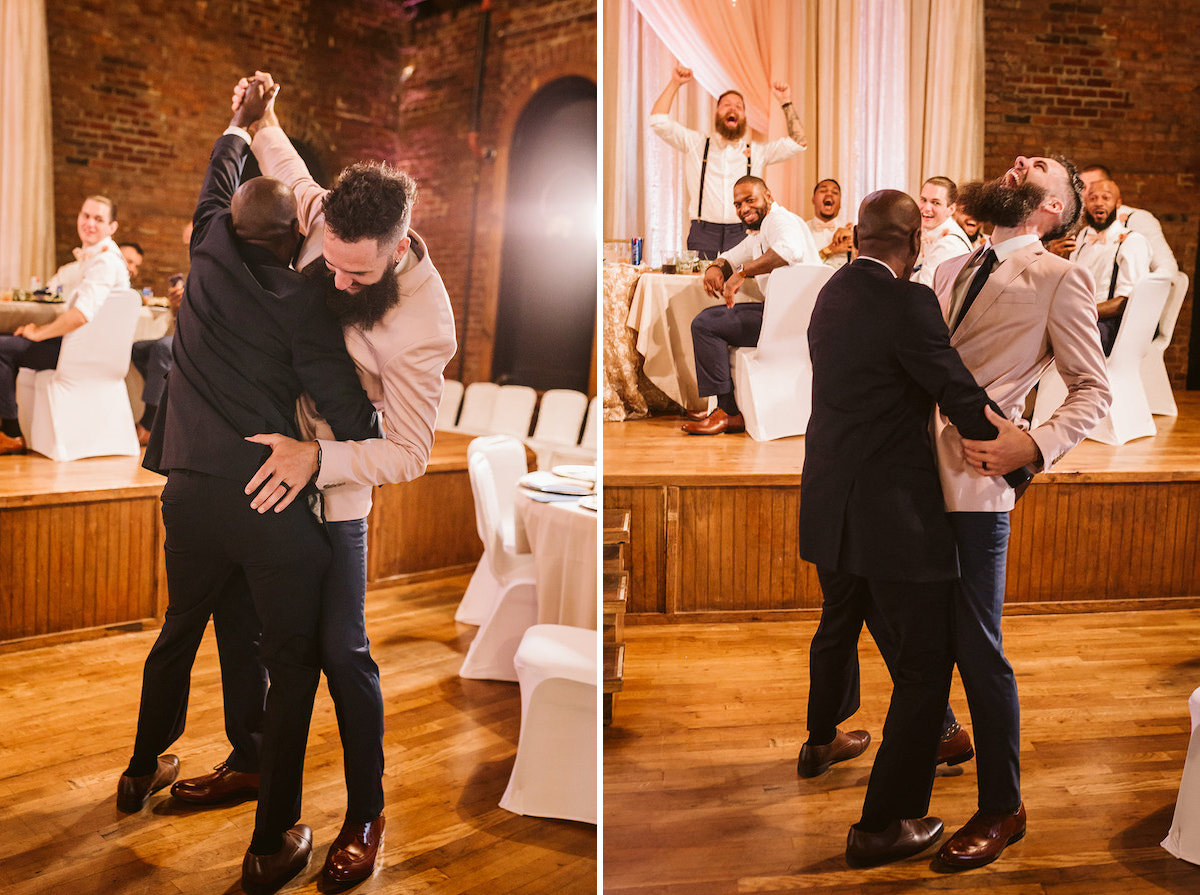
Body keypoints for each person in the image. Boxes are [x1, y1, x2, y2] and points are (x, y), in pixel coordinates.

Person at [164, 71, 457, 885]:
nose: (335, 283)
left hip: (335, 497)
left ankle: (366, 809)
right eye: (330, 265)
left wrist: (316, 459)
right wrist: (258, 117)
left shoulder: (425, 328)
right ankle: (255, 761)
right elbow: (285, 164)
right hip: (263, 480)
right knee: (245, 627)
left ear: (400, 247)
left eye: (357, 276)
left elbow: (409, 452)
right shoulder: (329, 221)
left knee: (339, 649)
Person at [117, 84, 382, 895]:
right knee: (293, 658)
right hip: (267, 504)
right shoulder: (307, 304)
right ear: (300, 233)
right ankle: (272, 843)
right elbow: (353, 416)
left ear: (228, 223)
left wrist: (241, 118)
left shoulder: (203, 250)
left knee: (183, 625)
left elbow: (218, 168)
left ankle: (138, 773)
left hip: (188, 496)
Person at [799, 190, 1008, 868]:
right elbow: (954, 387)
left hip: (831, 506)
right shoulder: (909, 300)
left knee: (843, 620)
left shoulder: (831, 292)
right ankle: (884, 823)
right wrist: (1015, 449)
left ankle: (822, 739)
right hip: (892, 518)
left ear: (857, 236)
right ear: (915, 244)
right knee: (924, 666)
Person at [927, 154, 1111, 869]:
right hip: (912, 474)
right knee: (907, 620)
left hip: (979, 480)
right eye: (1018, 159)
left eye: (1040, 170)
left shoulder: (1061, 277)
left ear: (1051, 212)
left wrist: (1030, 446)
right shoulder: (948, 270)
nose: (1019, 164)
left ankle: (1004, 805)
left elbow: (1092, 391)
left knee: (978, 646)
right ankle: (939, 730)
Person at [681, 175, 819, 435]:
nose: (743, 208)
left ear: (769, 196)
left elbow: (790, 251)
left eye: (750, 200)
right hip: (787, 317)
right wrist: (715, 267)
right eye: (737, 204)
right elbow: (731, 257)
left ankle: (727, 412)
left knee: (706, 325)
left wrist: (742, 273)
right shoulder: (761, 232)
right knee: (711, 321)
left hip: (789, 321)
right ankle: (723, 407)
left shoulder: (780, 220)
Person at [0, 196, 130, 455]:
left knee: (2, 347)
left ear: (112, 227)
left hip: (83, 354)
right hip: (84, 349)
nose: (90, 223)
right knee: (6, 340)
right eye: (86, 216)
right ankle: (9, 429)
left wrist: (38, 333)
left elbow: (81, 314)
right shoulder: (88, 261)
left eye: (99, 219)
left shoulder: (105, 262)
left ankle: (11, 434)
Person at [650, 65, 807, 259]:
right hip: (703, 232)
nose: (733, 108)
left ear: (744, 117)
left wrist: (785, 102)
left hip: (744, 232)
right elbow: (658, 121)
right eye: (726, 104)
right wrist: (675, 83)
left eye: (739, 106)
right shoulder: (696, 144)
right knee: (699, 286)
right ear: (716, 114)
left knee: (742, 287)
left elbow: (799, 142)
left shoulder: (757, 152)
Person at [1068, 179, 1151, 355]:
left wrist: (1081, 312)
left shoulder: (1132, 242)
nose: (1099, 202)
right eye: (1093, 198)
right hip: (1079, 320)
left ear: (1118, 203)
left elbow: (1126, 302)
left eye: (1106, 198)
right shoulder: (1083, 237)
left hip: (1109, 327)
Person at [1079, 164, 1178, 275]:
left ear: (1111, 186)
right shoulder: (1086, 230)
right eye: (1083, 188)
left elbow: (1167, 268)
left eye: (1095, 185)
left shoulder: (1137, 219)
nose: (1088, 193)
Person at [130, 272, 184, 444]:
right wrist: (177, 307)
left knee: (163, 348)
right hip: (190, 334)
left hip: (211, 339)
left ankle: (149, 423)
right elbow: (179, 324)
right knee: (138, 349)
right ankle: (164, 412)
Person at [911, 177, 972, 287]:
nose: (926, 208)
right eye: (923, 200)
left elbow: (924, 293)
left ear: (951, 209)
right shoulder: (934, 234)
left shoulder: (949, 244)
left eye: (935, 203)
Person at [806, 178, 854, 269]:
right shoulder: (802, 230)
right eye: (823, 191)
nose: (829, 194)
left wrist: (857, 239)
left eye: (835, 193)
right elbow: (800, 267)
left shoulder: (851, 233)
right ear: (813, 200)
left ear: (840, 203)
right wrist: (829, 250)